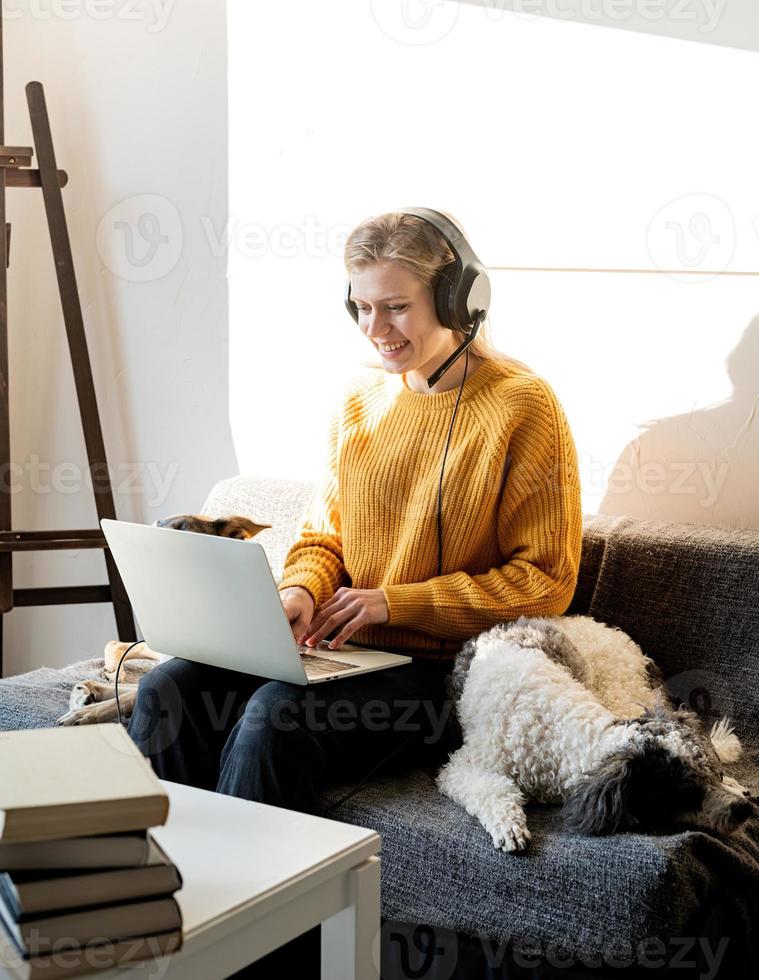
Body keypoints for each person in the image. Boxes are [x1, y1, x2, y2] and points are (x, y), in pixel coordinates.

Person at [127, 209, 583, 821]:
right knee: (168, 690)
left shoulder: (523, 407)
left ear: (456, 298)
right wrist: (300, 591)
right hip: (342, 655)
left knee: (274, 717)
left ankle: (251, 909)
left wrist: (395, 603)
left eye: (395, 306)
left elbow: (546, 582)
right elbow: (324, 537)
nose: (376, 328)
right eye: (362, 308)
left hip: (441, 678)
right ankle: (160, 893)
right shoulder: (359, 400)